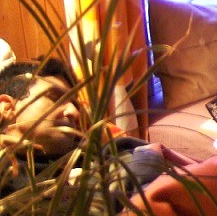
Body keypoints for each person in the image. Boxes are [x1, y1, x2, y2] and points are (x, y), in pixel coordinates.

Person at [0, 57, 163, 197]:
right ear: (7, 108)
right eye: (55, 98)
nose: (74, 112)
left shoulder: (98, 154)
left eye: (75, 104)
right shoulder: (7, 182)